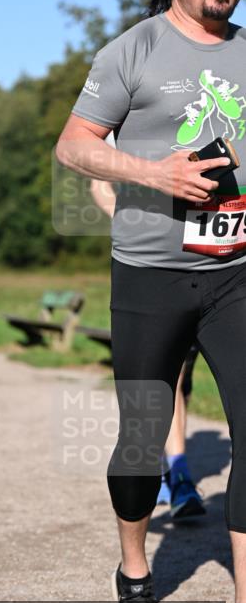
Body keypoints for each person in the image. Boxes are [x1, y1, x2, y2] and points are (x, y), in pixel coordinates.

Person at [56, 0, 245, 603]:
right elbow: (73, 146)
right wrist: (154, 174)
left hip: (236, 272)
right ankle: (134, 574)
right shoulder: (131, 49)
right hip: (149, 272)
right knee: (139, 440)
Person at [90, 151, 205, 521]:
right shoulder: (129, 109)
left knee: (177, 377)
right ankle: (162, 472)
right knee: (160, 379)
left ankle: (178, 473)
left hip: (208, 263)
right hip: (150, 266)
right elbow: (98, 182)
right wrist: (133, 223)